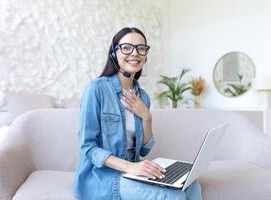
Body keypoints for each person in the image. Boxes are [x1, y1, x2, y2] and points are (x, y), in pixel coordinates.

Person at [72, 27, 202, 200]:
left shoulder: (144, 97)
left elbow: (143, 150)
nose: (135, 53)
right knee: (172, 196)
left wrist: (147, 117)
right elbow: (88, 147)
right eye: (127, 47)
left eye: (141, 48)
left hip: (130, 172)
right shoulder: (97, 89)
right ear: (114, 52)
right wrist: (130, 167)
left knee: (191, 184)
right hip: (101, 177)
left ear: (145, 55)